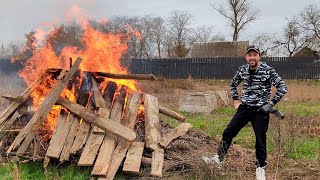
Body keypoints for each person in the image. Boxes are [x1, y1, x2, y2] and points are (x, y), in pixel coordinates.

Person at [202, 45, 288, 180]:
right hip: (245, 108)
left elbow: (283, 87)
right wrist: (236, 100)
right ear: (246, 57)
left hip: (260, 111)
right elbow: (233, 84)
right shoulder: (243, 70)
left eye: (255, 55)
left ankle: (260, 168)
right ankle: (219, 159)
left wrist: (270, 104)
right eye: (250, 55)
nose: (252, 57)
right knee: (228, 132)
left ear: (259, 56)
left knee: (260, 139)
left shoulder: (268, 71)